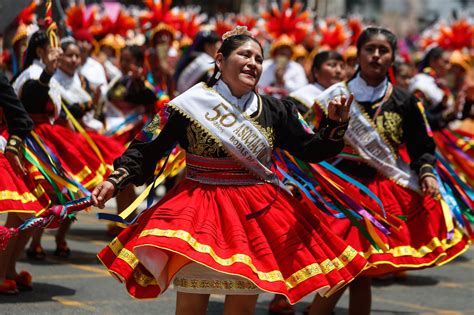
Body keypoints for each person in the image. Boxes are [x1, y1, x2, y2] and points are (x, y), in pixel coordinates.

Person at [92, 27, 367, 314]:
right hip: (199, 210)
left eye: (259, 59)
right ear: (220, 61)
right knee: (190, 305)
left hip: (254, 215)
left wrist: (334, 126)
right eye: (244, 54)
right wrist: (117, 179)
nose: (253, 63)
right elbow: (147, 146)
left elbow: (313, 149)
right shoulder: (187, 106)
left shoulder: (277, 110)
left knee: (241, 307)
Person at [309, 27, 470, 315]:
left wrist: (427, 173)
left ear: (393, 57)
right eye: (370, 49)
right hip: (338, 191)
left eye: (383, 51)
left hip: (381, 192)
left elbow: (423, 144)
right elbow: (314, 140)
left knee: (359, 268)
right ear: (358, 54)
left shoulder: (405, 101)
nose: (376, 55)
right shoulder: (335, 96)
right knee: (349, 265)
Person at [12, 30, 107, 259]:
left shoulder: (71, 78)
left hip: (54, 138)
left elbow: (63, 112)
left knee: (60, 196)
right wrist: (47, 72)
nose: (67, 57)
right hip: (32, 142)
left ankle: (12, 267)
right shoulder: (34, 74)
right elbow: (32, 100)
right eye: (58, 51)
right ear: (40, 52)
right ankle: (8, 268)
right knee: (29, 206)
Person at [0, 74, 50, 294]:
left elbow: (22, 117)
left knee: (31, 211)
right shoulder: (29, 73)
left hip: (37, 147)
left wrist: (12, 148)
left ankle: (6, 269)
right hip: (32, 144)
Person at [409, 46, 454, 130]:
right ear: (433, 61)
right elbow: (423, 118)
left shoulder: (438, 83)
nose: (449, 67)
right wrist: (449, 113)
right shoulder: (420, 83)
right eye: (445, 62)